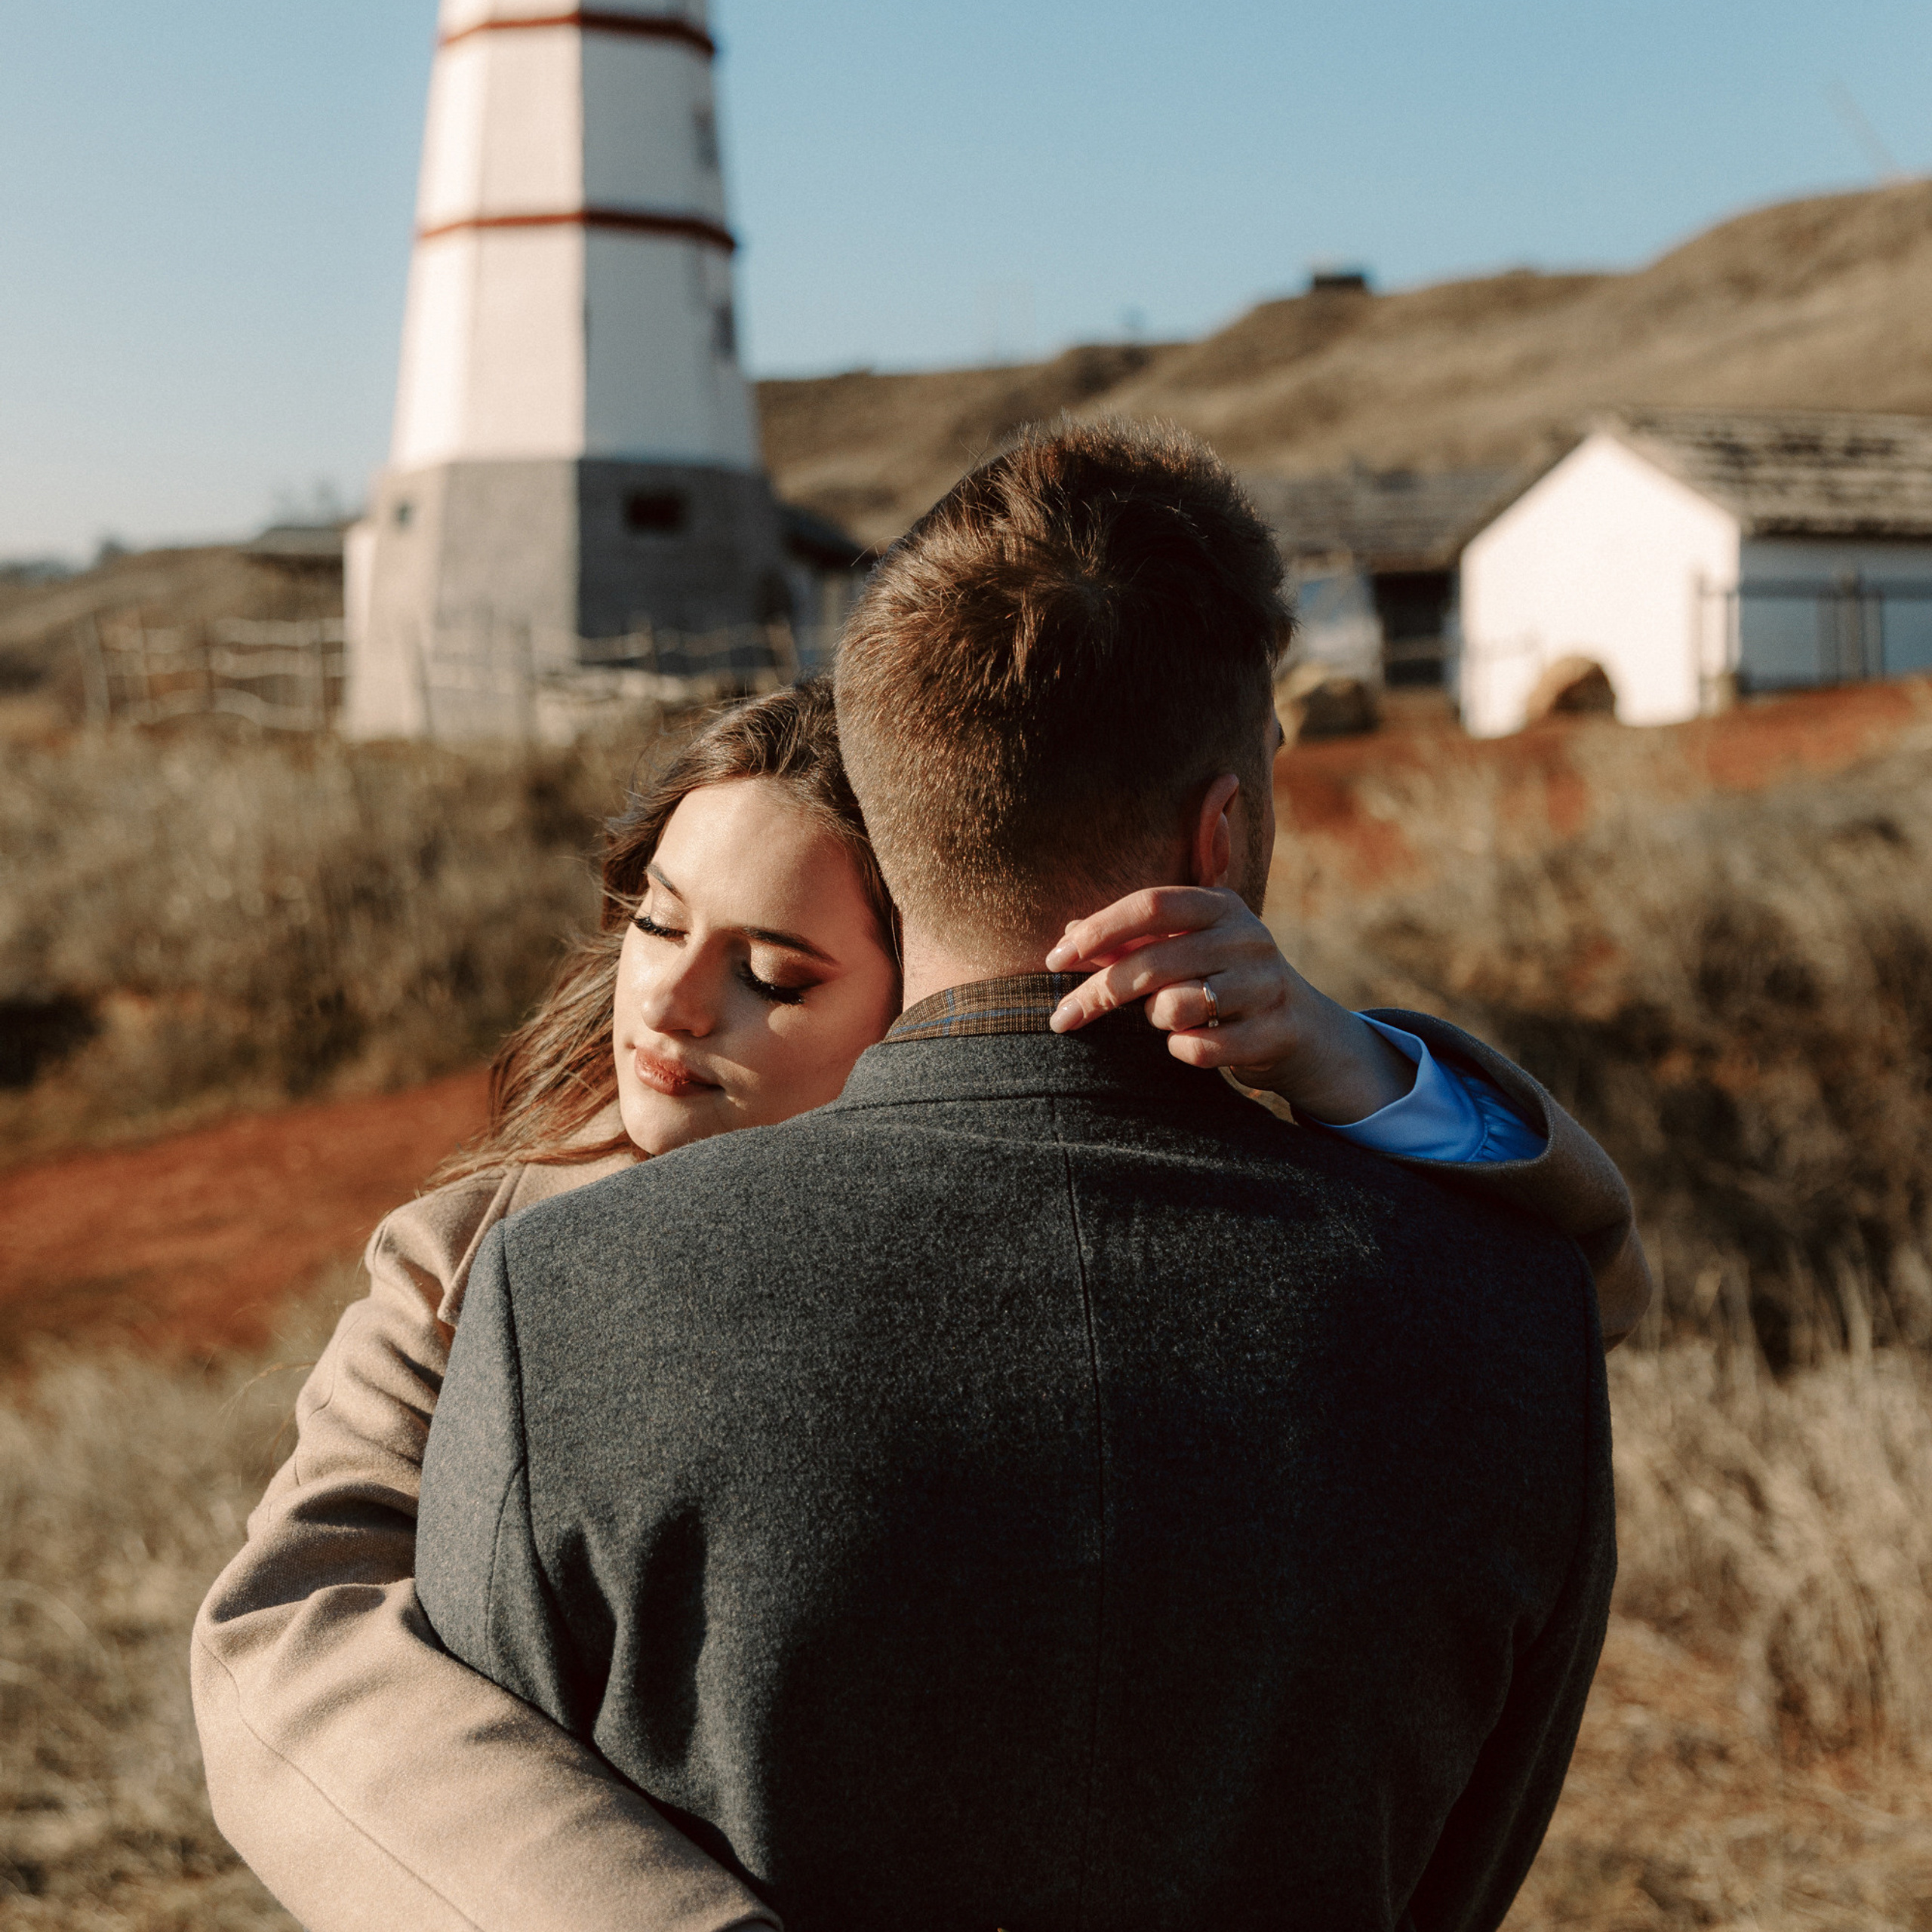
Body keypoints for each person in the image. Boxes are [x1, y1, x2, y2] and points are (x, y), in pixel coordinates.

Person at [408, 423, 1626, 1932]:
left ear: (894, 818)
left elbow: (479, 1844)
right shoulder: (1507, 1315)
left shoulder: (563, 1298)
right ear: (1220, 827)